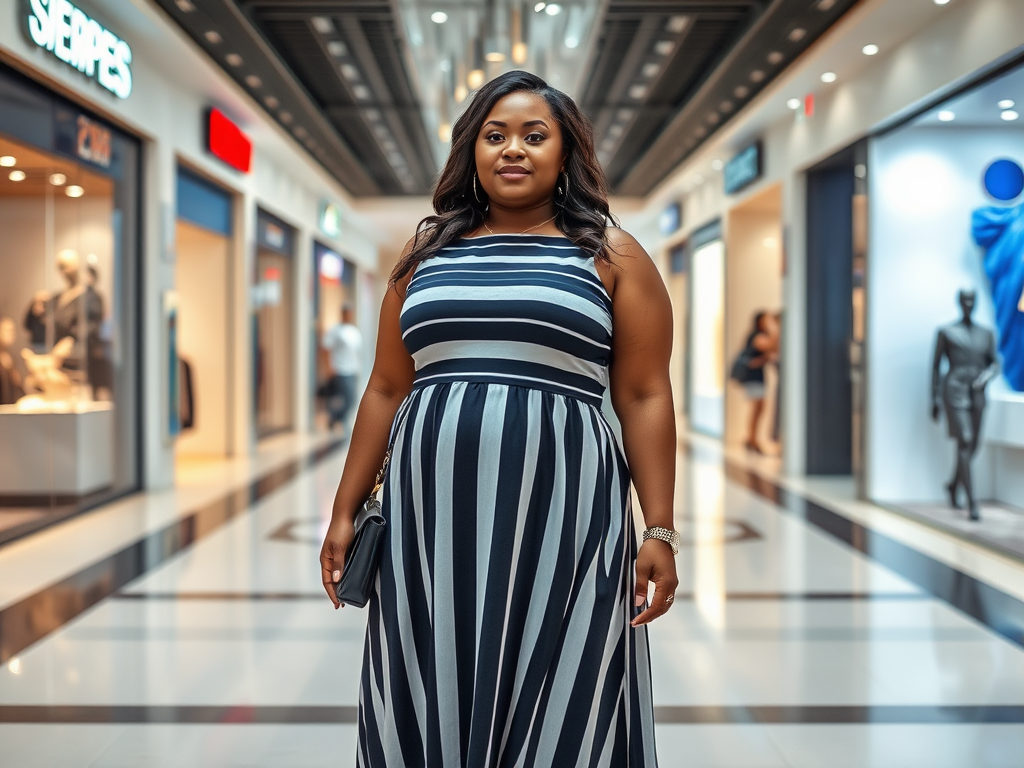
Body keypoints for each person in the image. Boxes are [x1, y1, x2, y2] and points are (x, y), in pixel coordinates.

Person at [319, 70, 678, 767]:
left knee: (564, 672)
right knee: (431, 660)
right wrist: (344, 509)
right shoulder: (424, 255)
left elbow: (643, 395)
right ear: (472, 152)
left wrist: (658, 527)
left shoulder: (611, 255)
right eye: (495, 135)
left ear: (566, 154)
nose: (513, 149)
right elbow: (387, 387)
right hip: (432, 518)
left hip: (567, 512)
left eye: (534, 136)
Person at [931, 289, 1000, 521]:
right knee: (965, 440)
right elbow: (935, 367)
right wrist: (934, 398)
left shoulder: (986, 334)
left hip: (978, 392)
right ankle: (972, 502)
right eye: (965, 300)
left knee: (973, 446)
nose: (968, 304)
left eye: (972, 300)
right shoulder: (947, 332)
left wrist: (985, 378)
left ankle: (952, 485)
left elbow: (995, 364)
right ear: (959, 302)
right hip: (955, 390)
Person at [733, 310, 779, 453]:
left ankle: (752, 439)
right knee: (757, 408)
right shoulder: (757, 337)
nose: (768, 323)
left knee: (759, 408)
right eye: (766, 320)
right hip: (753, 377)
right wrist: (774, 328)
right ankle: (751, 439)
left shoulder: (755, 336)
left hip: (757, 376)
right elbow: (773, 345)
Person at [321, 305, 363, 432]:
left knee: (352, 399)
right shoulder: (336, 330)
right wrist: (329, 367)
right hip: (340, 369)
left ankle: (336, 418)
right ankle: (338, 419)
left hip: (352, 370)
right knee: (347, 398)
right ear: (343, 314)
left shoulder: (354, 331)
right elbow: (326, 349)